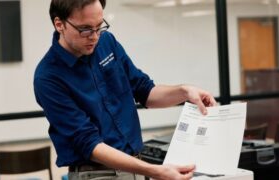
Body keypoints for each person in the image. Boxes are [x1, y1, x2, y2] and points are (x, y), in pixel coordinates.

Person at [34, 0, 217, 179]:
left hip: (137, 166)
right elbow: (89, 144)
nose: (95, 36)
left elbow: (145, 91)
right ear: (59, 24)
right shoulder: (48, 78)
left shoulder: (107, 43)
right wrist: (155, 171)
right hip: (97, 174)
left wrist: (185, 92)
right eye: (86, 29)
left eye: (99, 26)